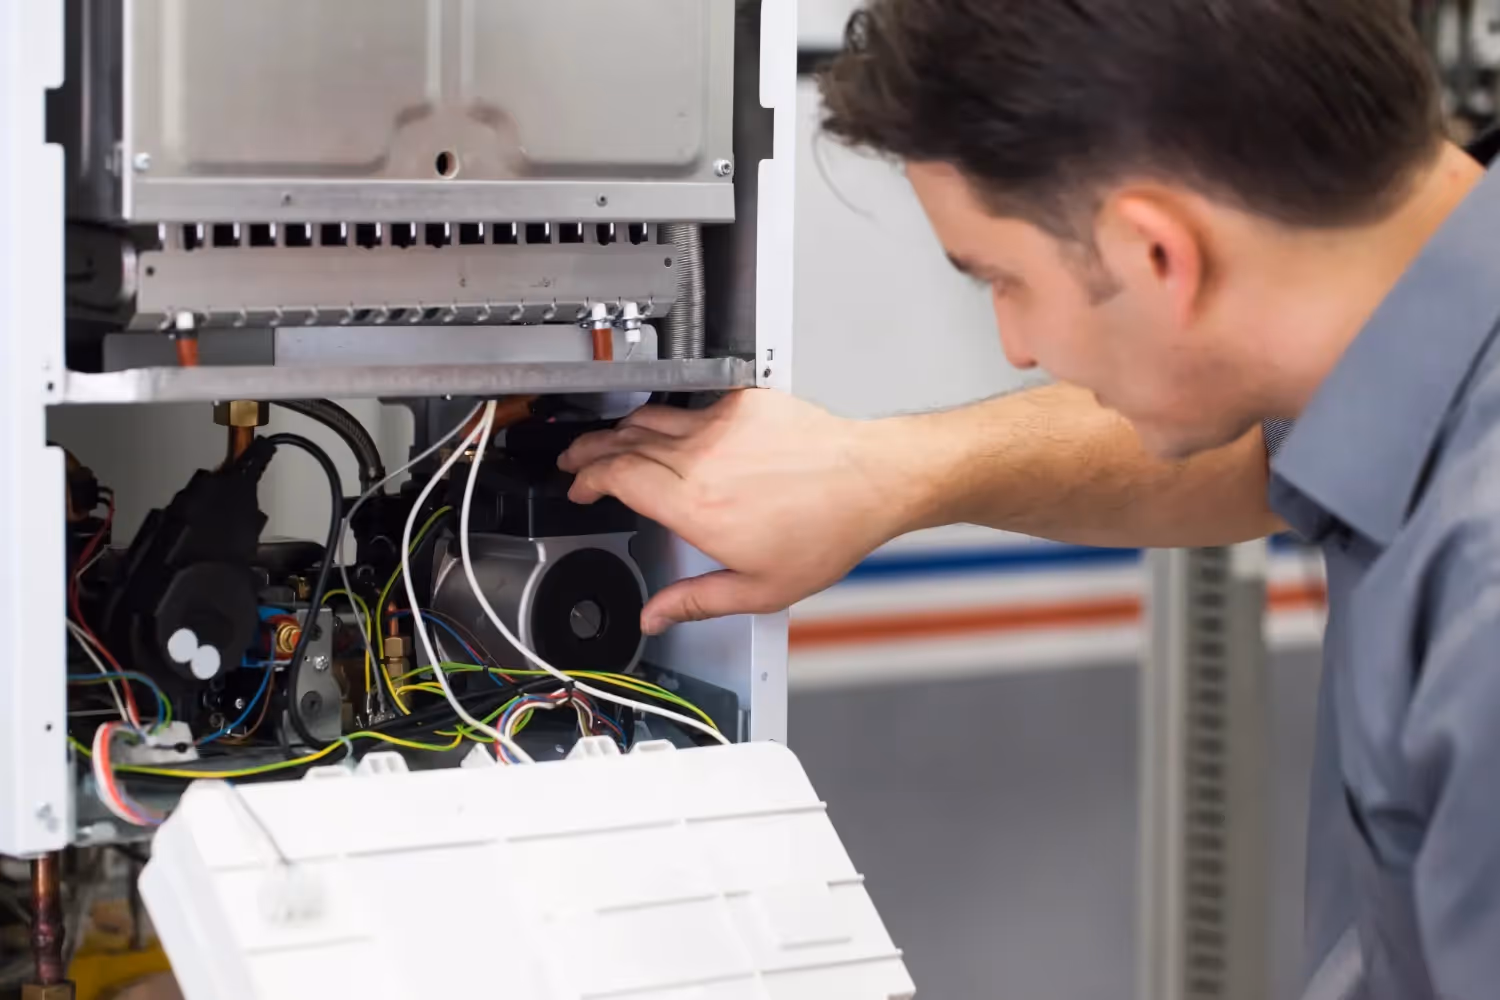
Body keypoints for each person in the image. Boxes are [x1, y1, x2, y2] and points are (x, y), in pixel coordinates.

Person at [560, 2, 1500, 997]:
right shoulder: (1405, 313)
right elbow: (1266, 437)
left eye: (1000, 279)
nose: (1018, 346)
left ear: (1156, 257)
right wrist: (887, 474)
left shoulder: (1480, 608)